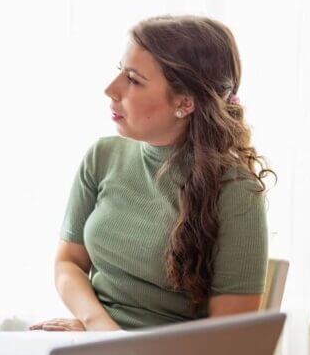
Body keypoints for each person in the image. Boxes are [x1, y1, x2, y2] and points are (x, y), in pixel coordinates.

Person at [33, 16, 273, 332]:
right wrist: (98, 327)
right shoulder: (102, 156)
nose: (110, 89)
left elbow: (225, 340)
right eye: (120, 71)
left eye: (133, 79)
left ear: (184, 102)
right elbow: (69, 263)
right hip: (96, 339)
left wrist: (121, 346)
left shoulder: (236, 191)